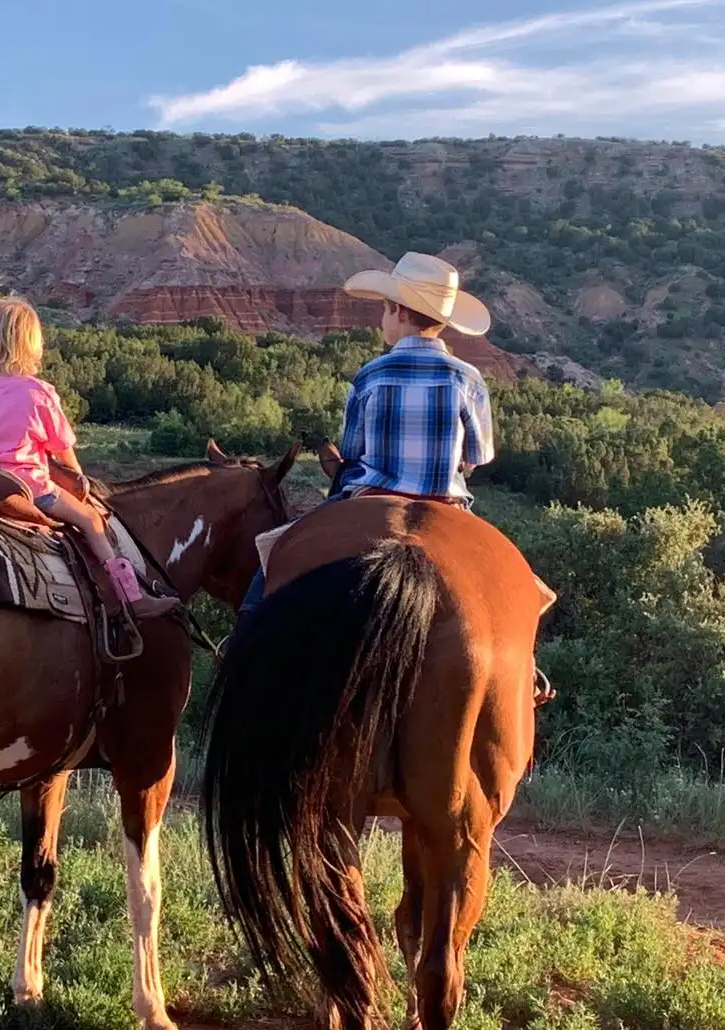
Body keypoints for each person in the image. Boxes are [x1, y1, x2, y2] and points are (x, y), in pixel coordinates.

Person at [237, 252, 555, 704]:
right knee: (513, 584)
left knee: (275, 549)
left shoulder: (371, 374)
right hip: (447, 505)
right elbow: (480, 455)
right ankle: (525, 670)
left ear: (400, 312)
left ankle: (246, 636)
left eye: (385, 309)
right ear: (440, 323)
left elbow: (352, 451)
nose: (382, 318)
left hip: (370, 494)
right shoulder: (467, 377)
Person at [0, 284, 177, 618]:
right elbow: (63, 451)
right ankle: (132, 598)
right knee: (91, 521)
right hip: (25, 485)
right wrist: (80, 482)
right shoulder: (37, 392)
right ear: (30, 343)